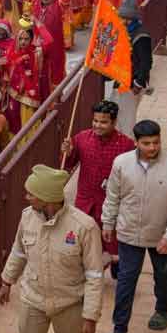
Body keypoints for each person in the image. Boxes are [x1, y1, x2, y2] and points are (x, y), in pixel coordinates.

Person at [0, 165, 103, 333]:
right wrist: (7, 281)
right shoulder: (27, 217)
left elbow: (94, 275)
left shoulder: (84, 226)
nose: (26, 197)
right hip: (32, 300)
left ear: (47, 198)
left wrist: (90, 316)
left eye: (31, 194)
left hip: (69, 303)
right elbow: (18, 251)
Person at [101, 119, 167, 333]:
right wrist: (108, 223)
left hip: (162, 236)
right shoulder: (121, 163)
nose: (153, 147)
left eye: (156, 142)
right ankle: (119, 330)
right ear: (137, 142)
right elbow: (112, 196)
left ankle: (162, 309)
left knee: (164, 277)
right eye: (147, 143)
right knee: (126, 282)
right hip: (129, 234)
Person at [61, 100, 135, 278]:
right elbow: (68, 165)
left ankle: (117, 269)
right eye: (95, 121)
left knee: (113, 244)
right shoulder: (81, 139)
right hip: (85, 201)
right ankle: (86, 274)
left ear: (114, 122)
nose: (97, 125)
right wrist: (67, 152)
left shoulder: (126, 146)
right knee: (83, 241)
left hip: (111, 204)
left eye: (103, 122)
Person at [113, 0, 152, 137]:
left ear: (131, 19)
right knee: (119, 115)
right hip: (122, 79)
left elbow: (146, 63)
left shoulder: (141, 36)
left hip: (132, 83)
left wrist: (138, 83)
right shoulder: (126, 31)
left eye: (125, 18)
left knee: (127, 119)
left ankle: (128, 147)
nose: (122, 21)